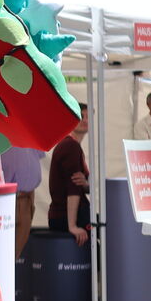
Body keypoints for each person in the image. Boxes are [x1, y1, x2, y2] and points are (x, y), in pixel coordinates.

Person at [47, 103, 91, 245]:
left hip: (64, 215)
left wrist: (85, 184)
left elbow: (80, 185)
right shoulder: (70, 146)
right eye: (80, 116)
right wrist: (72, 226)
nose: (85, 120)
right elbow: (73, 189)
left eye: (88, 117)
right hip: (66, 216)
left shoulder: (72, 145)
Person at [0, 146, 45, 258]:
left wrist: (30, 203)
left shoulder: (30, 133)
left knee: (15, 253)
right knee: (0, 251)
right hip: (2, 200)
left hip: (26, 199)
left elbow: (36, 157)